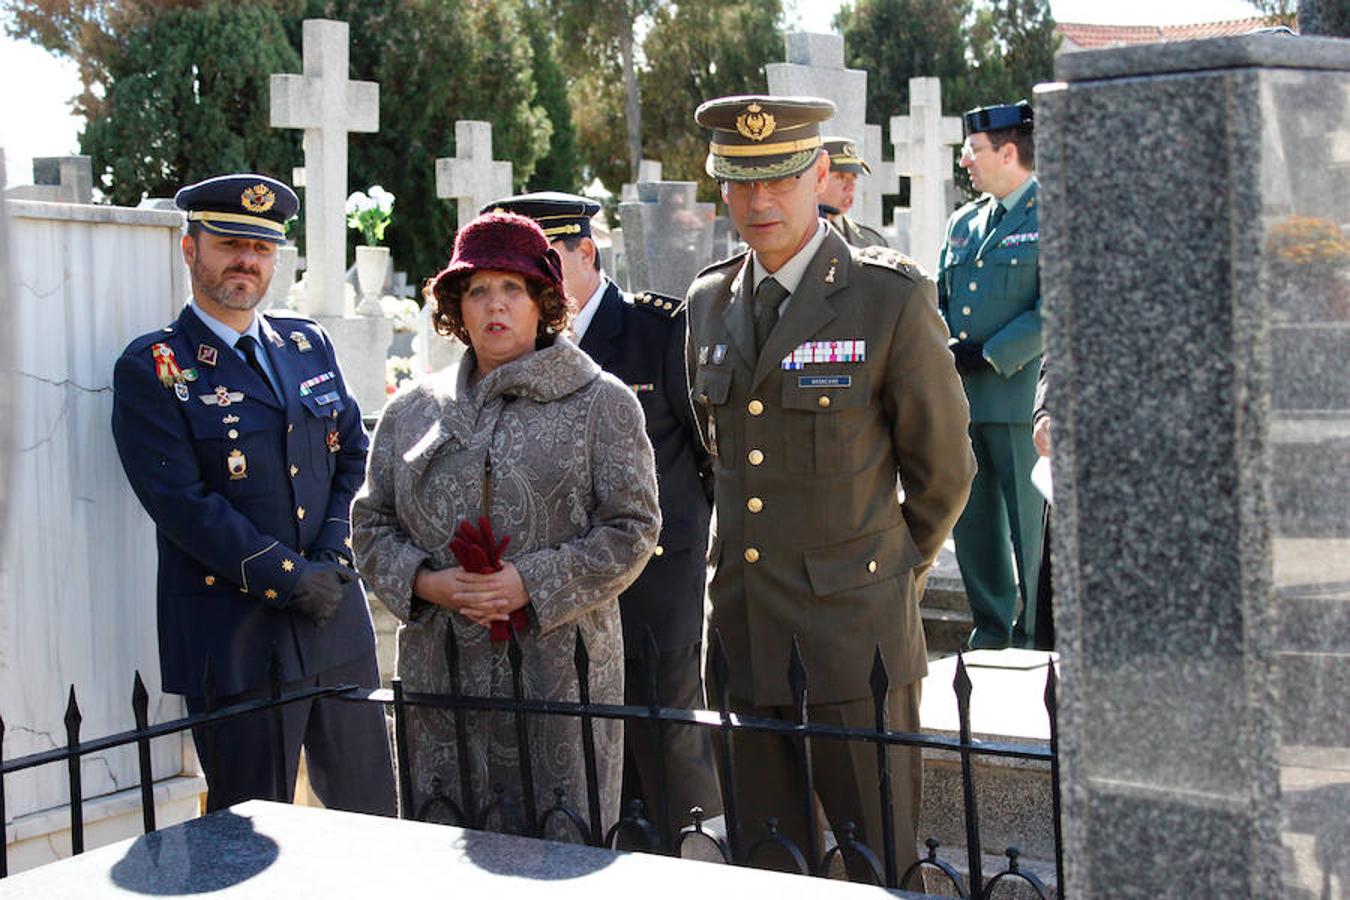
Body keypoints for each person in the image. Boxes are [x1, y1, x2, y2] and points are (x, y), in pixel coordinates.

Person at [685, 94, 975, 880]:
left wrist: (882, 576)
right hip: (744, 627)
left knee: (874, 857)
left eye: (778, 179)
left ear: (820, 174)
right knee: (765, 859)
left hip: (854, 638)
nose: (759, 201)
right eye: (740, 183)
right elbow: (724, 456)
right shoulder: (708, 299)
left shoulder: (889, 297)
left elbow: (944, 469)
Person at [350, 211, 660, 835]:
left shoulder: (602, 402)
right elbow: (370, 523)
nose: (495, 305)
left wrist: (531, 582)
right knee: (449, 847)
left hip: (559, 675)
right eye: (477, 290)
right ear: (455, 308)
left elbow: (632, 528)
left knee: (558, 849)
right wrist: (427, 584)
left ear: (544, 300)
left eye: (512, 288)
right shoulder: (412, 410)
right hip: (443, 676)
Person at [110, 173, 396, 814]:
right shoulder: (156, 367)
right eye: (229, 243)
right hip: (236, 638)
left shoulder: (306, 344)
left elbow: (354, 456)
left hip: (335, 626)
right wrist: (292, 578)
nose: (247, 260)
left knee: (372, 815)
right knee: (252, 835)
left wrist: (328, 557)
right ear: (191, 249)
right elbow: (183, 503)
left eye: (261, 247)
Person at [482, 192, 720, 843]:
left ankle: (693, 870)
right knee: (577, 748)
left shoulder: (659, 330)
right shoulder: (523, 347)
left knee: (665, 742)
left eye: (548, 263)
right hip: (558, 587)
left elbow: (709, 455)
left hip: (652, 582)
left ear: (586, 253)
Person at [938, 100, 1045, 650]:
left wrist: (994, 352)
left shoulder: (1051, 215)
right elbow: (937, 301)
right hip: (964, 404)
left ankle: (1034, 634)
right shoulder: (964, 222)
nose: (965, 160)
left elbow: (1055, 309)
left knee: (1031, 524)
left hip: (1022, 402)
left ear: (1008, 151)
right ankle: (992, 629)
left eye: (974, 150)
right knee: (972, 521)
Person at [818, 136, 888, 248]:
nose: (850, 187)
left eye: (854, 177)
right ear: (818, 178)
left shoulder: (873, 241)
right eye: (840, 177)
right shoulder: (794, 237)